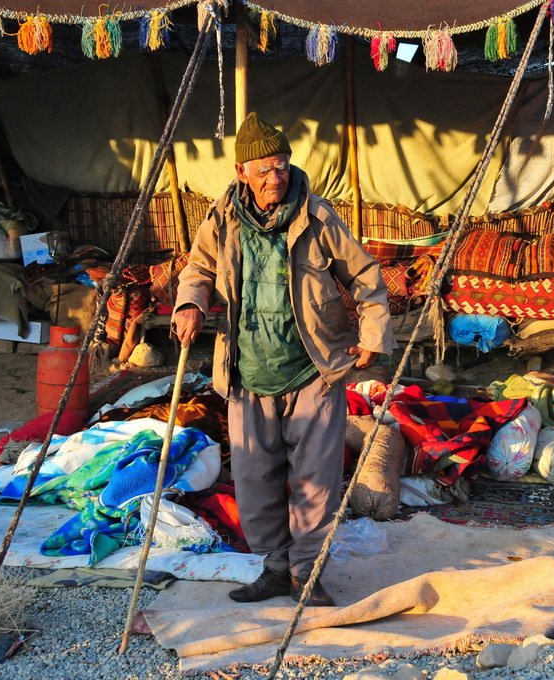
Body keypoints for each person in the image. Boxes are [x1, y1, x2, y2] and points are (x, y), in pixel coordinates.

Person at [172, 113, 396, 606]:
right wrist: (191, 301)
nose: (277, 177)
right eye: (265, 168)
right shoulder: (221, 219)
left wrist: (372, 335)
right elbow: (198, 268)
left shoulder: (317, 217)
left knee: (314, 479)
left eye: (283, 165)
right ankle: (275, 568)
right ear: (241, 171)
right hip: (247, 370)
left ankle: (307, 576)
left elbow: (365, 276)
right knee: (254, 479)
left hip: (312, 368)